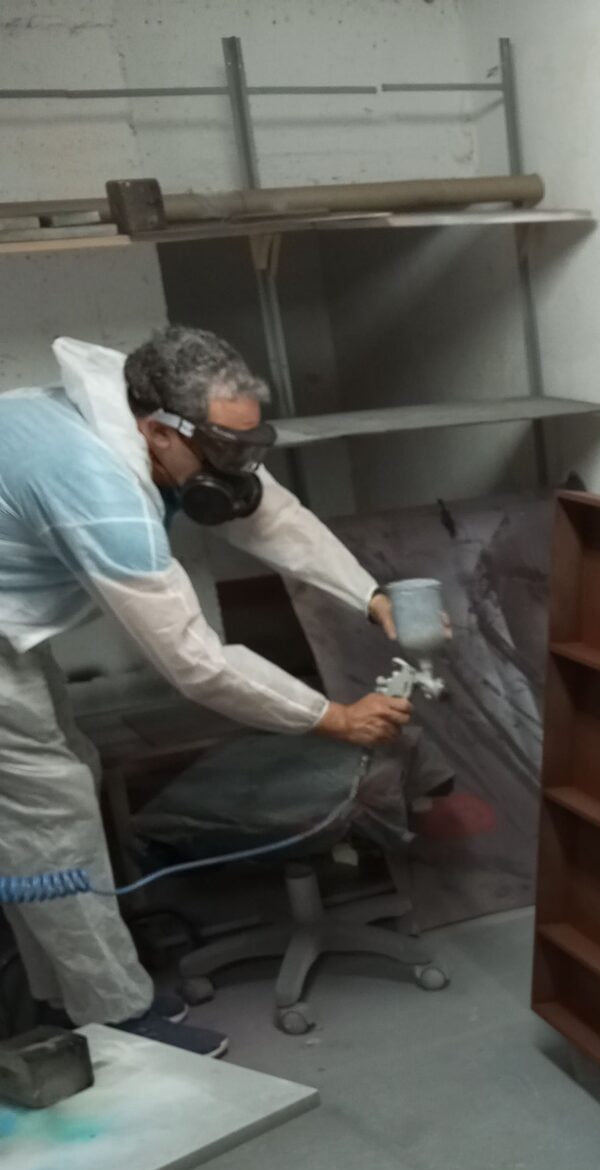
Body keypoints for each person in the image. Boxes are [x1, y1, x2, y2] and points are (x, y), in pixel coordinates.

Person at [0, 325, 412, 1058]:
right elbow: (194, 661)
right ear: (159, 431)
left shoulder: (146, 415)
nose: (239, 469)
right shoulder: (99, 489)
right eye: (225, 451)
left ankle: (60, 994)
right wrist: (333, 717)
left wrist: (368, 593)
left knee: (59, 787)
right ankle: (116, 1020)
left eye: (248, 447)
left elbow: (269, 513)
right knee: (51, 807)